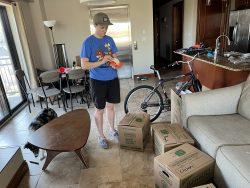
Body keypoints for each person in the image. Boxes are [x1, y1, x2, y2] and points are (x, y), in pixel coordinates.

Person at [80, 12, 120, 149]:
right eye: (102, 27)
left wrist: (115, 62)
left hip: (112, 78)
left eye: (106, 27)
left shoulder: (110, 39)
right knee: (99, 110)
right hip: (97, 81)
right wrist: (102, 61)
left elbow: (115, 57)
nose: (105, 30)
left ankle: (112, 130)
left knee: (111, 106)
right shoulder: (87, 42)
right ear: (95, 25)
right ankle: (101, 136)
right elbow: (84, 65)